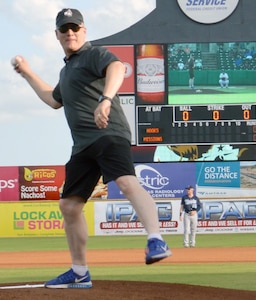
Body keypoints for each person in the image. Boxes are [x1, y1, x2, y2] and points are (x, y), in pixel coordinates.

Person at [12, 8, 171, 289]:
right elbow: (53, 99)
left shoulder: (94, 54)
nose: (70, 32)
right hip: (83, 145)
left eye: (75, 27)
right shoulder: (67, 69)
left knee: (126, 181)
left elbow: (117, 67)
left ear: (84, 31)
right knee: (69, 205)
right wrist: (26, 73)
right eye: (65, 29)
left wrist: (106, 99)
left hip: (108, 132)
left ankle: (156, 239)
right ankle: (79, 271)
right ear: (57, 35)